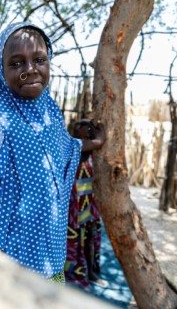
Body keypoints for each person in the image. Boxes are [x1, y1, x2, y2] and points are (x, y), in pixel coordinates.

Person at [0, 22, 104, 309]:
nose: (30, 69)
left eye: (39, 59)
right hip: (8, 263)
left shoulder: (50, 115)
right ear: (1, 71)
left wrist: (93, 145)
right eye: (16, 63)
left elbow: (65, 148)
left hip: (49, 255)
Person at [64, 119, 108, 290]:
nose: (89, 131)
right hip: (74, 206)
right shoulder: (73, 147)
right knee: (72, 239)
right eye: (85, 128)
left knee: (90, 238)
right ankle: (75, 271)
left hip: (90, 204)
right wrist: (100, 132)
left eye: (90, 128)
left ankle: (91, 273)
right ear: (76, 131)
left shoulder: (94, 153)